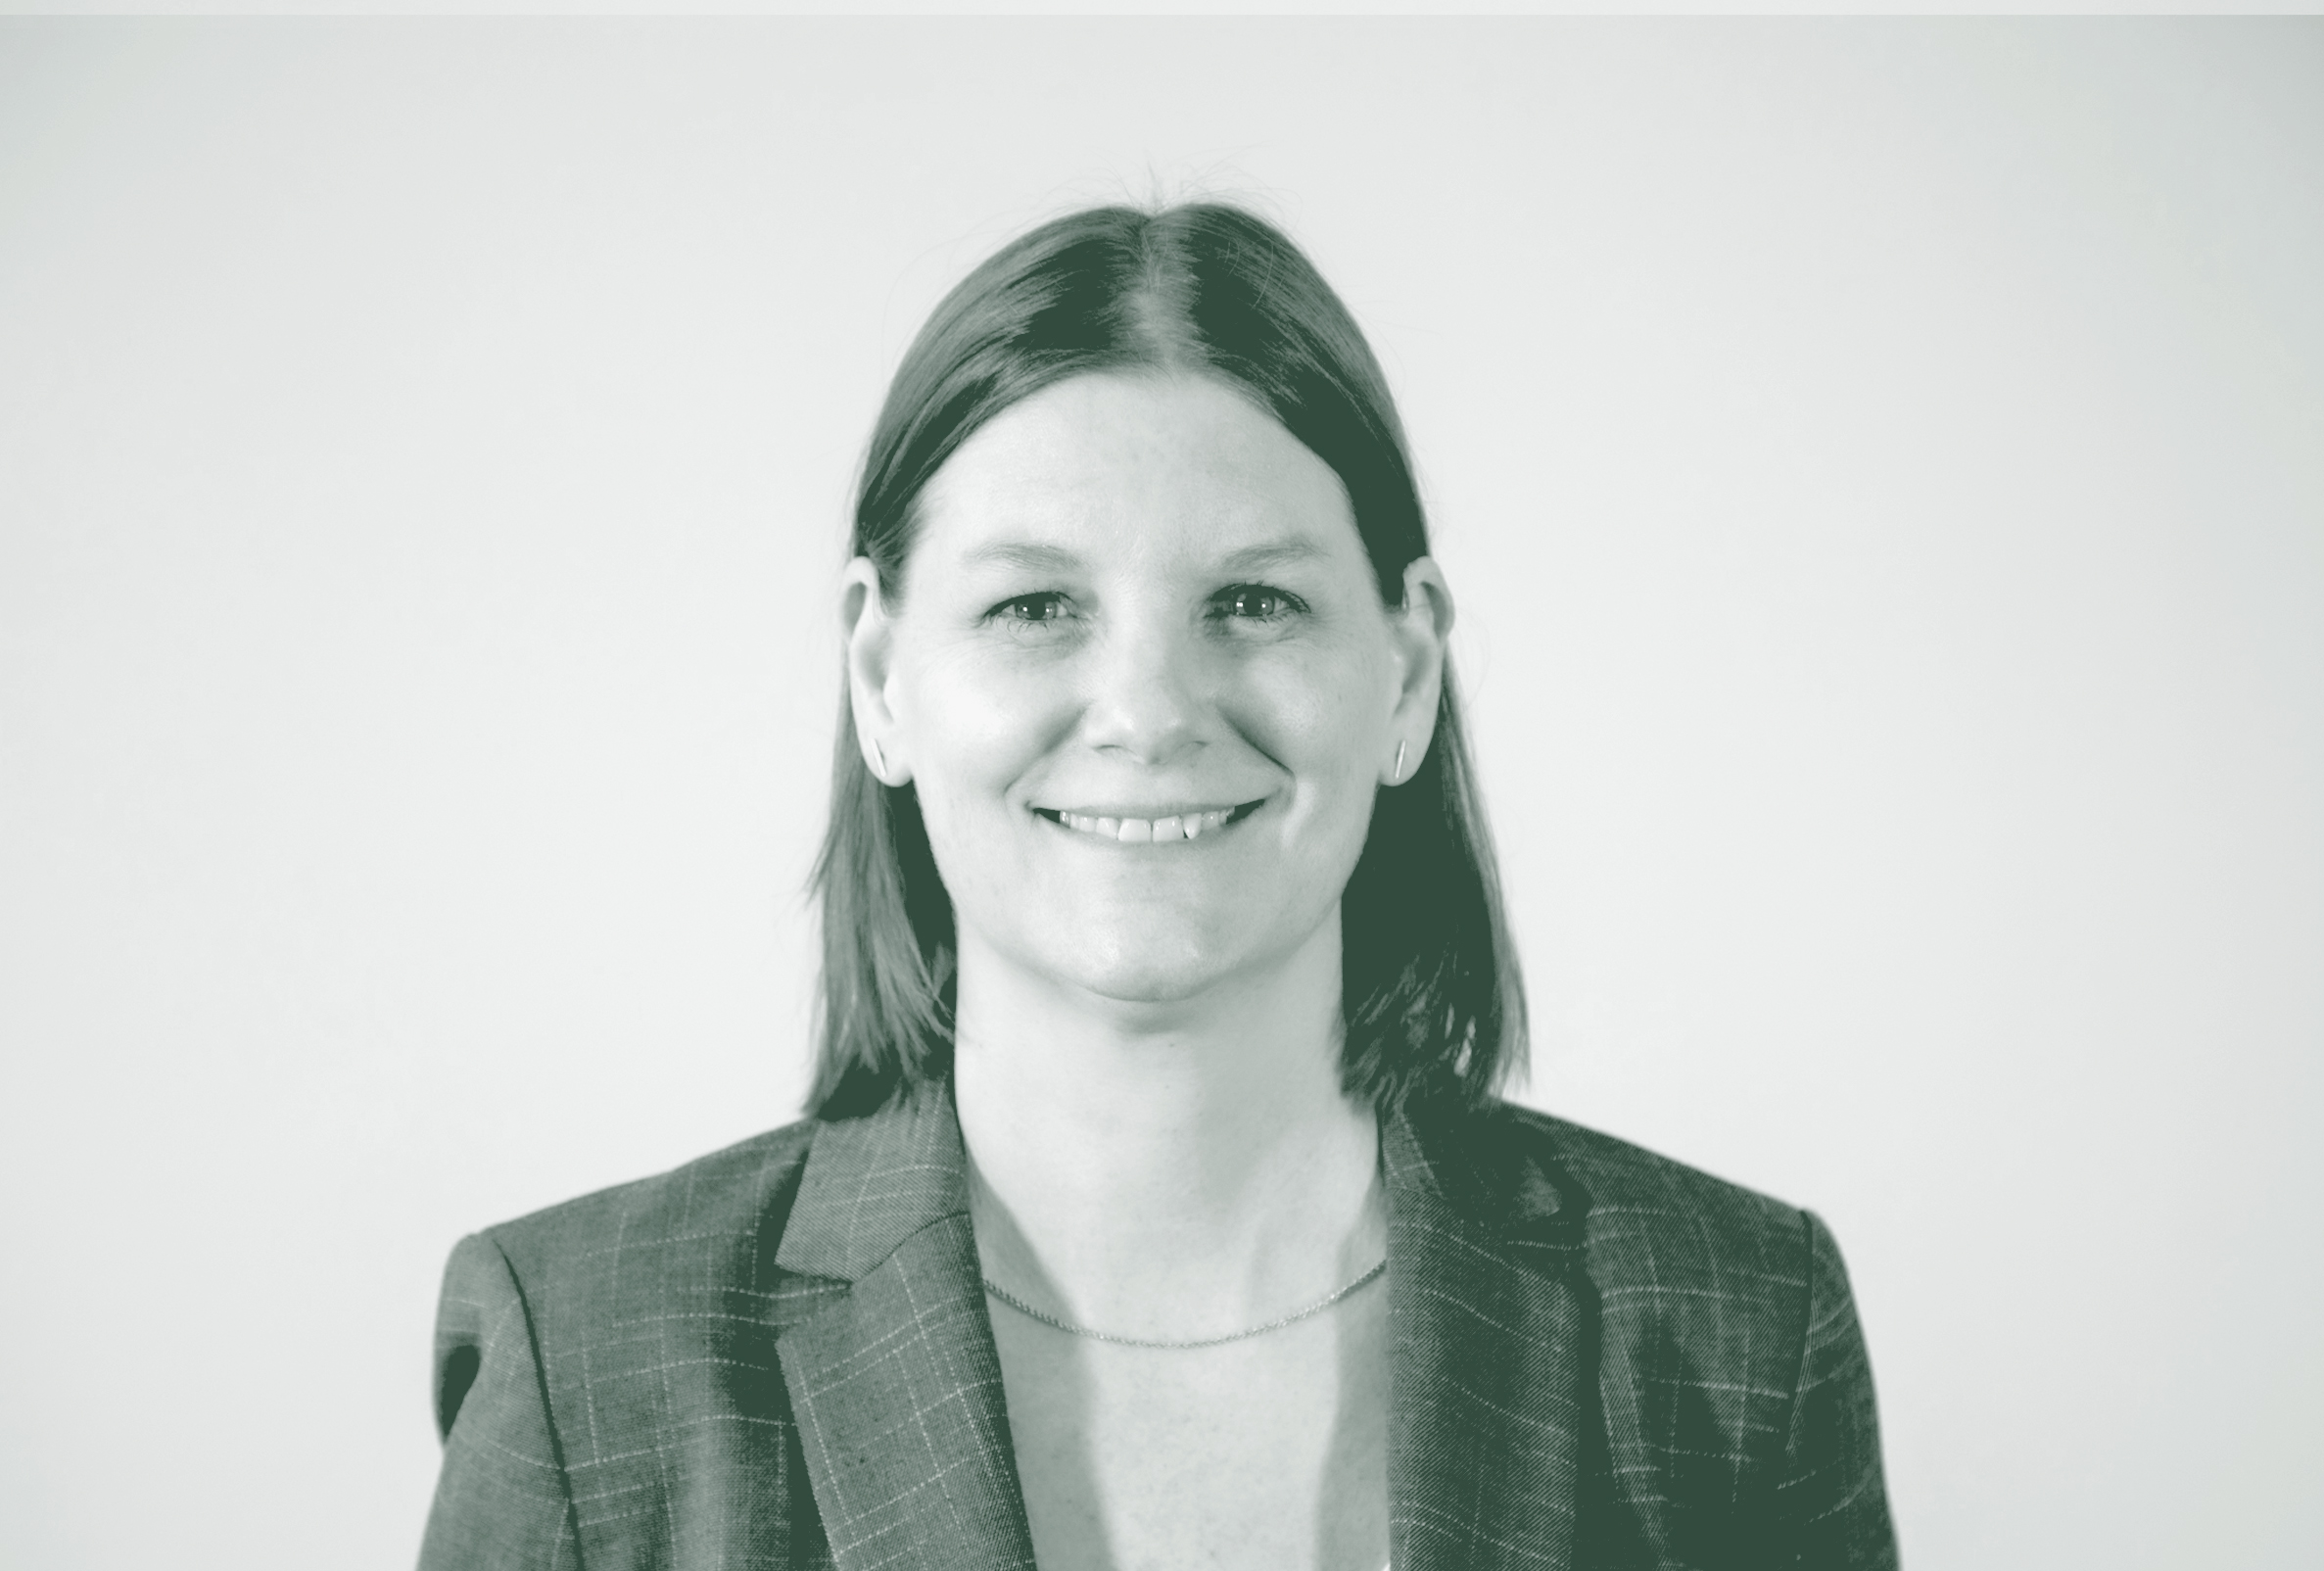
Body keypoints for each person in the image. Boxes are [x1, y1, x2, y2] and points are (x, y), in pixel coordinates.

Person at [418, 202, 1898, 1571]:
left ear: (1408, 671)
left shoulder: (1737, 1335)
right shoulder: (590, 1369)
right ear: (881, 675)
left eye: (1253, 602)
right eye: (1035, 606)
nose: (1147, 709)